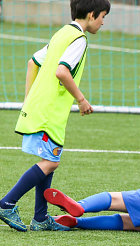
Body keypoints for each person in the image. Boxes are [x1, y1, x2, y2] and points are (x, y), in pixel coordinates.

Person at [0, 0, 111, 232]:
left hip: (43, 109)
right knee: (51, 162)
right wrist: (81, 99)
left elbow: (33, 62)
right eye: (103, 16)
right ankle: (7, 203)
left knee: (51, 161)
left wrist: (29, 99)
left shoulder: (62, 33)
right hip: (49, 112)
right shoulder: (79, 39)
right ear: (91, 14)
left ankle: (40, 218)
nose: (103, 21)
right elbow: (62, 71)